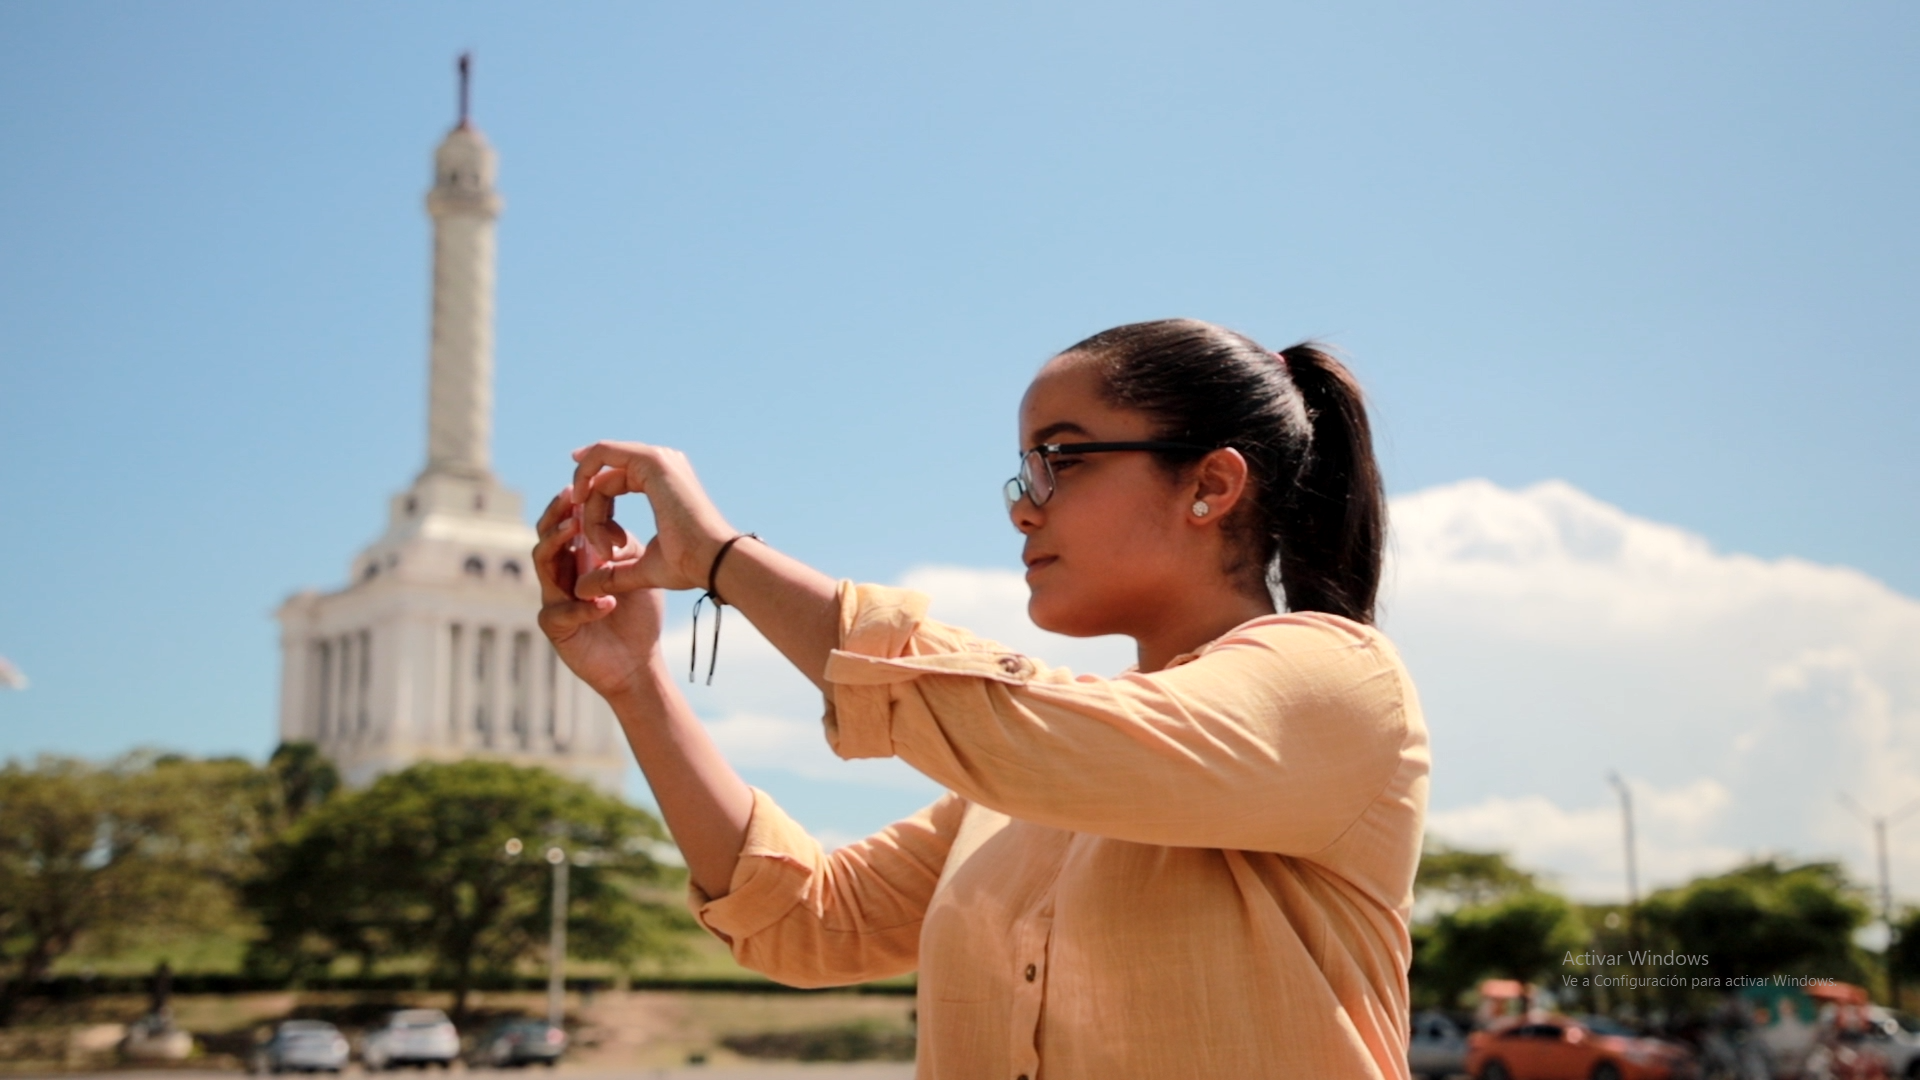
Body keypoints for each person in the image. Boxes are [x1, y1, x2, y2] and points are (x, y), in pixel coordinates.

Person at [534, 318, 1429, 1079]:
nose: (1022, 509)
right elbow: (808, 921)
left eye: (1061, 460)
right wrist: (636, 681)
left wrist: (724, 559)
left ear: (1212, 484)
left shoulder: (1339, 682)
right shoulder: (1022, 784)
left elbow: (1025, 734)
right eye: (1023, 473)